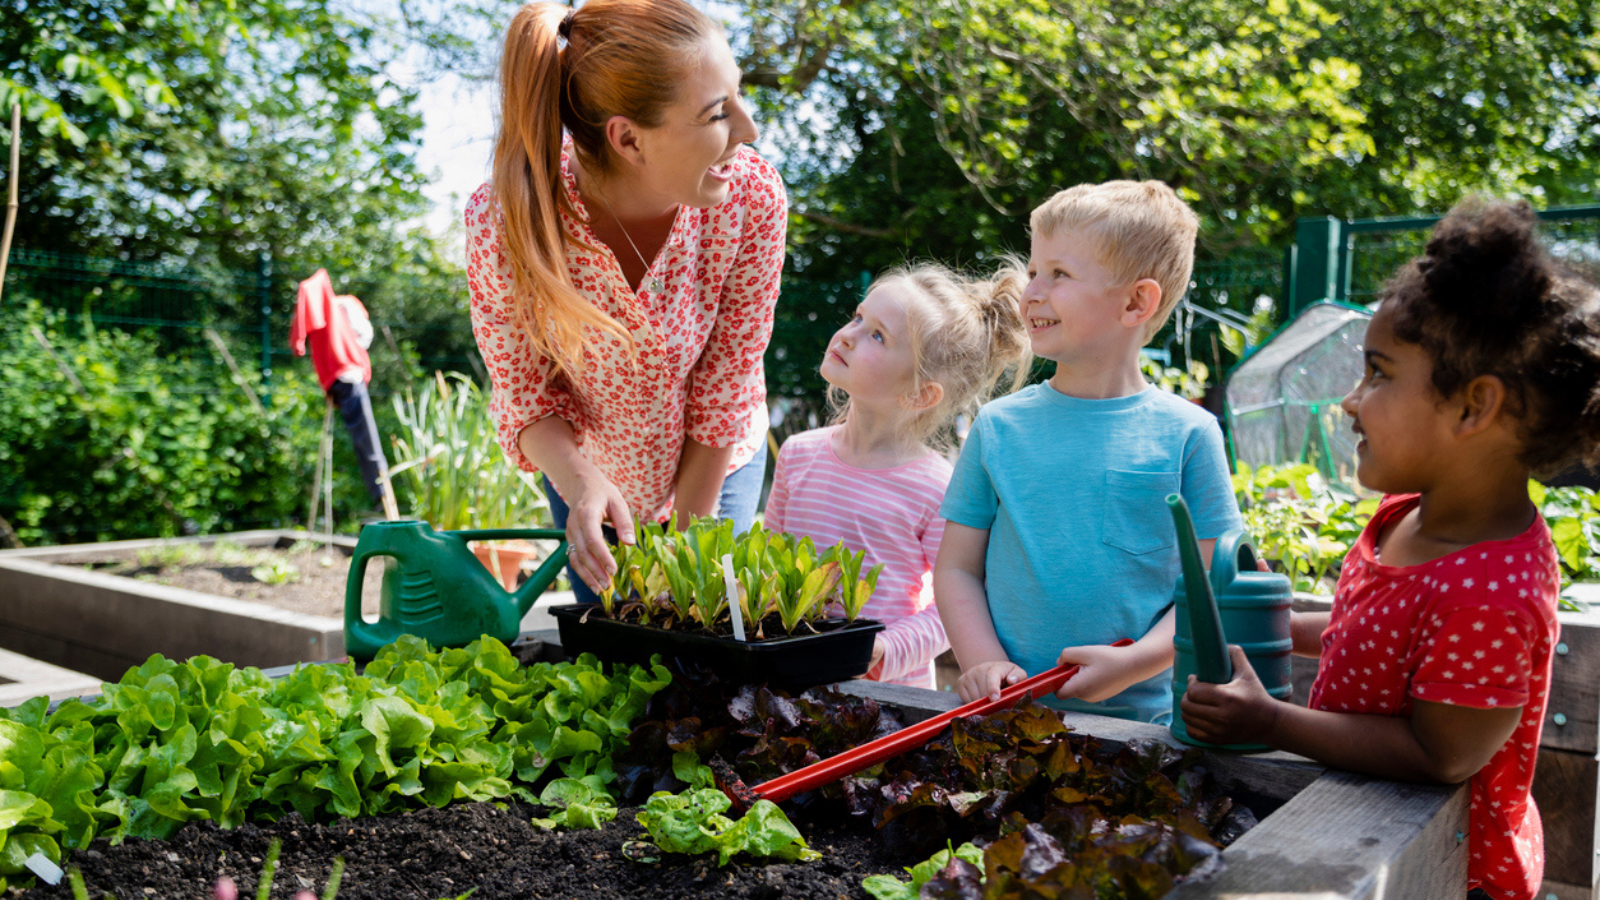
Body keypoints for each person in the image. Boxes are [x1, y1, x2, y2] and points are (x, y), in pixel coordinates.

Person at [1180, 199, 1600, 900]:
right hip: (1359, 835)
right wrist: (1272, 631)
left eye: (1377, 373)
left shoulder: (1492, 590)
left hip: (1441, 870)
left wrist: (1270, 720)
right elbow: (1365, 630)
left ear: (1473, 407)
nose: (1349, 401)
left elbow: (1441, 755)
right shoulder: (1407, 515)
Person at [467, 0, 787, 602]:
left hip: (716, 462)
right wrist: (584, 485)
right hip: (588, 474)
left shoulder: (753, 198)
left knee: (703, 631)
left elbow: (727, 381)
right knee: (614, 652)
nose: (748, 130)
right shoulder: (506, 224)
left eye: (738, 97)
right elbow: (525, 396)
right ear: (628, 140)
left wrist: (687, 552)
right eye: (719, 113)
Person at [934, 181, 1242, 721]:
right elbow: (957, 569)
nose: (1031, 291)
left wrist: (1139, 661)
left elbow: (1214, 587)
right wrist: (981, 663)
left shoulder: (1190, 434)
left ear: (1135, 302)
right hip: (1006, 717)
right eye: (1034, 271)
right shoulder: (998, 426)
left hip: (1147, 731)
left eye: (1059, 274)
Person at [763, 263, 1031, 688]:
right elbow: (765, 561)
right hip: (789, 686)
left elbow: (954, 609)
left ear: (920, 394)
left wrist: (886, 649)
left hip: (884, 703)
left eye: (877, 335)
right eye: (858, 317)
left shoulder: (937, 486)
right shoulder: (798, 454)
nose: (848, 334)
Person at [289, 268, 392, 510]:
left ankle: (380, 493)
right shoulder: (343, 304)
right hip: (349, 374)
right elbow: (364, 337)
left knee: (360, 436)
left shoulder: (315, 301)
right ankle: (381, 493)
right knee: (366, 437)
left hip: (332, 378)